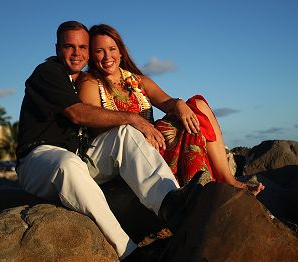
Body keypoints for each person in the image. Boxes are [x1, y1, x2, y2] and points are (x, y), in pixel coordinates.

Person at [16, 20, 205, 260]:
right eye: (69, 46)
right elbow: (78, 113)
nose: (77, 53)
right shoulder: (48, 72)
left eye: (83, 47)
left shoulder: (84, 81)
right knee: (69, 162)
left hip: (80, 159)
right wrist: (133, 117)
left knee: (125, 133)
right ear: (57, 48)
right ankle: (128, 251)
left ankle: (171, 203)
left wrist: (139, 120)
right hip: (38, 158)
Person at [78, 24, 265, 194]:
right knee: (175, 129)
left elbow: (167, 102)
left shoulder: (137, 80)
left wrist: (178, 104)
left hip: (156, 142)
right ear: (92, 56)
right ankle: (199, 190)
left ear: (121, 51)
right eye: (99, 51)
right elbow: (96, 125)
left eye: (112, 49)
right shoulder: (90, 82)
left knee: (196, 105)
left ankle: (226, 179)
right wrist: (134, 123)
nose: (107, 56)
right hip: (129, 153)